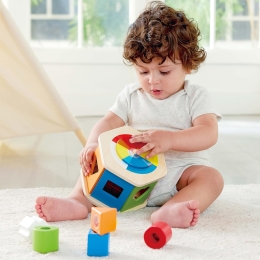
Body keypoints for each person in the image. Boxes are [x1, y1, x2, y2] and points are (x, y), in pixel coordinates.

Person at [35, 1, 224, 228]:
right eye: (143, 71)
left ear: (188, 64)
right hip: (129, 174)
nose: (152, 80)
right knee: (93, 163)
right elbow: (108, 121)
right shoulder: (131, 95)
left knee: (212, 178)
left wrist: (171, 139)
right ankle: (77, 202)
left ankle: (172, 209)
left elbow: (208, 133)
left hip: (180, 175)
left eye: (164, 71)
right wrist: (93, 143)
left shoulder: (195, 96)